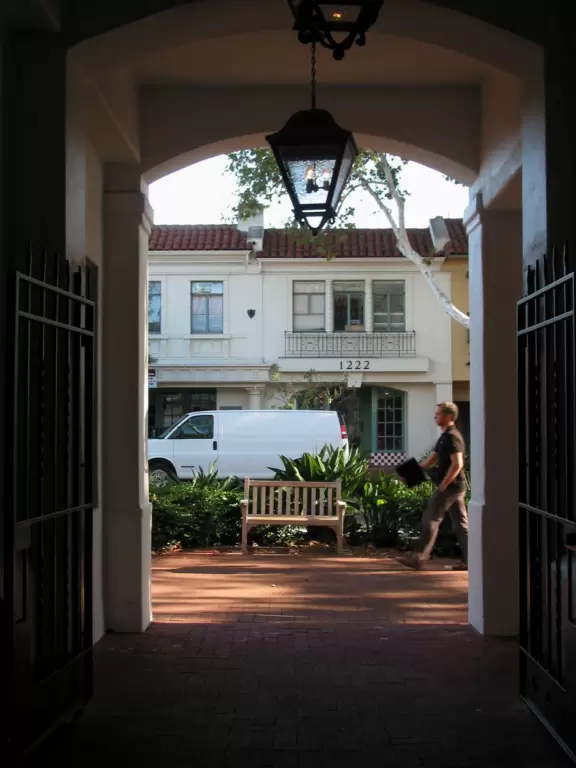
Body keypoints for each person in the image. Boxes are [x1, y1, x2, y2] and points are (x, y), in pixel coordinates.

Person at [397, 402, 468, 571]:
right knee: (461, 525)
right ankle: (471, 560)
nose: (435, 417)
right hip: (455, 487)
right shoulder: (444, 437)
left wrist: (444, 484)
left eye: (438, 414)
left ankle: (418, 558)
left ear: (448, 416)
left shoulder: (452, 437)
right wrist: (409, 474)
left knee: (430, 519)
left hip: (451, 487)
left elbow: (457, 464)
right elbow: (430, 461)